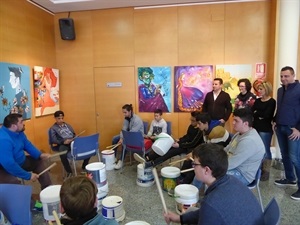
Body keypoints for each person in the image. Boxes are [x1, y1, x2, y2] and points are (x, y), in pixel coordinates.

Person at [164, 143, 264, 225]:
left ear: (207, 170)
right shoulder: (232, 180)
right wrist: (180, 219)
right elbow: (205, 212)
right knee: (191, 211)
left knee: (190, 210)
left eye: (195, 164)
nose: (193, 167)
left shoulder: (211, 203)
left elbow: (209, 210)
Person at [134, 111, 203, 168]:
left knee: (170, 152)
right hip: (183, 144)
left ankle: (153, 163)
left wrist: (179, 145)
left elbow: (193, 143)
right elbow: (187, 136)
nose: (191, 122)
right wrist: (179, 139)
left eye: (193, 121)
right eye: (191, 120)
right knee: (165, 148)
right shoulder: (191, 126)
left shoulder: (200, 130)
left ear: (198, 121)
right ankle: (148, 157)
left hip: (190, 148)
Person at [0, 113, 52, 190]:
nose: (23, 123)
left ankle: (47, 190)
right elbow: (8, 164)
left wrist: (39, 155)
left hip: (19, 161)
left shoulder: (19, 132)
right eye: (21, 122)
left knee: (38, 162)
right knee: (16, 185)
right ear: (14, 126)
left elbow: (27, 144)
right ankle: (30, 202)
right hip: (4, 168)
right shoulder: (3, 139)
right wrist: (28, 175)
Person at [180, 113, 231, 184]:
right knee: (192, 159)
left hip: (220, 155)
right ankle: (183, 177)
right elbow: (205, 144)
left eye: (199, 124)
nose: (197, 126)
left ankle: (186, 183)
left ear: (206, 123)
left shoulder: (217, 131)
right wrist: (193, 153)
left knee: (199, 165)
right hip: (213, 149)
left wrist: (195, 155)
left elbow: (213, 151)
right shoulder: (205, 129)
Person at [273, 66, 300, 200]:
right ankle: (290, 178)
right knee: (285, 156)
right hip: (280, 127)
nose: (283, 78)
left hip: (293, 129)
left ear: (293, 75)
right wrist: (275, 121)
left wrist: (298, 129)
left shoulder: (299, 89)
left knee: (295, 158)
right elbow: (280, 108)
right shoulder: (279, 90)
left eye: (286, 76)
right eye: (282, 76)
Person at [50, 110, 90, 177]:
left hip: (73, 141)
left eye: (62, 118)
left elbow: (73, 134)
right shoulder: (53, 128)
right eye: (59, 118)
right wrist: (63, 141)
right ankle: (69, 171)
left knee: (87, 148)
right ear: (55, 118)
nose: (61, 120)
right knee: (62, 153)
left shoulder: (68, 125)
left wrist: (75, 138)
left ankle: (84, 166)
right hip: (63, 143)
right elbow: (53, 140)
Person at [113, 104, 150, 170]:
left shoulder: (137, 120)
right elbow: (124, 129)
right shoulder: (127, 118)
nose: (124, 114)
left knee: (125, 142)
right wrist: (121, 138)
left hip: (137, 137)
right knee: (115, 139)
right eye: (123, 112)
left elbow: (132, 133)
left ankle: (121, 161)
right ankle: (113, 158)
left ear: (130, 111)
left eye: (125, 112)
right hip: (129, 135)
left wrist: (123, 139)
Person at [252, 81, 276, 181]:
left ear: (266, 89)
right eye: (258, 89)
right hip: (256, 127)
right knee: (256, 149)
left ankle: (266, 171)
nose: (259, 91)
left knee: (266, 150)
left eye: (261, 89)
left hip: (265, 129)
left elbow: (267, 115)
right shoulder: (257, 101)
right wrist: (258, 114)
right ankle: (259, 169)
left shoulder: (272, 101)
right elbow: (252, 112)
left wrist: (257, 113)